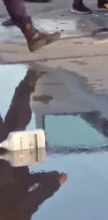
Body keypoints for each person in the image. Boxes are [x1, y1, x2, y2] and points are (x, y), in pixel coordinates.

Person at [0, 69, 67, 219]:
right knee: (17, 124)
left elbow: (34, 199)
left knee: (17, 125)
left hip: (11, 172)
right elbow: (33, 198)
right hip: (16, 172)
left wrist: (54, 181)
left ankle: (29, 81)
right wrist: (53, 181)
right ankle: (29, 82)